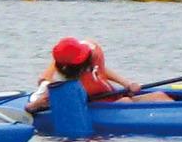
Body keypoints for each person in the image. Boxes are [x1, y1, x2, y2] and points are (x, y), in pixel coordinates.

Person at [24, 37, 172, 112]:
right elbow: (39, 103)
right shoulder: (60, 83)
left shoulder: (89, 56)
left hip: (112, 97)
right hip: (96, 107)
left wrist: (127, 83)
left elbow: (99, 70)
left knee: (160, 96)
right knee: (125, 102)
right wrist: (31, 108)